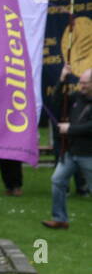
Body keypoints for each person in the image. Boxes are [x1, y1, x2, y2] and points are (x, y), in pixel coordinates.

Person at [44, 67, 92, 229]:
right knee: (57, 180)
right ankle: (60, 219)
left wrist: (69, 129)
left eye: (85, 83)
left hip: (88, 154)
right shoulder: (77, 97)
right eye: (80, 82)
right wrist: (62, 79)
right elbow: (56, 101)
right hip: (71, 152)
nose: (81, 85)